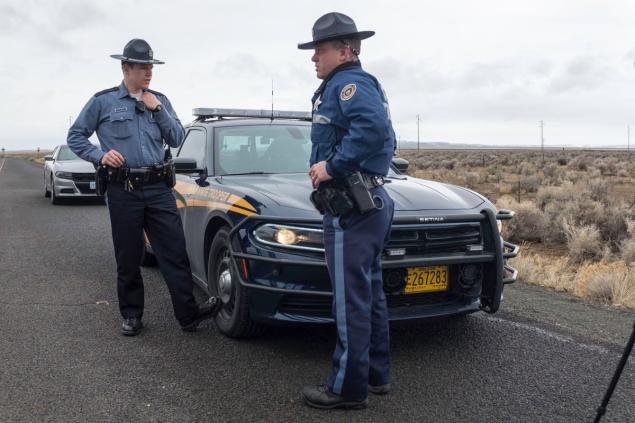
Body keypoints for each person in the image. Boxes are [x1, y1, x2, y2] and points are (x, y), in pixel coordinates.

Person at [67, 39, 221, 336]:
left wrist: (158, 108)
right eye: (143, 67)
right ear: (126, 68)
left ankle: (188, 315)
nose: (149, 73)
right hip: (122, 189)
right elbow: (76, 136)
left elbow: (176, 138)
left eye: (151, 67)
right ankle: (132, 315)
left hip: (159, 188)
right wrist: (100, 155)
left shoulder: (159, 99)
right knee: (129, 254)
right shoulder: (103, 101)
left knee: (174, 252)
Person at [298, 13, 396, 409]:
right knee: (368, 294)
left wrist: (332, 166)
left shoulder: (349, 84)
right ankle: (375, 374)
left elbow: (373, 131)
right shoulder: (343, 85)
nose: (313, 58)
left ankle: (346, 389)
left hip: (352, 208)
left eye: (319, 50)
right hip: (368, 203)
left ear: (345, 50)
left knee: (350, 300)